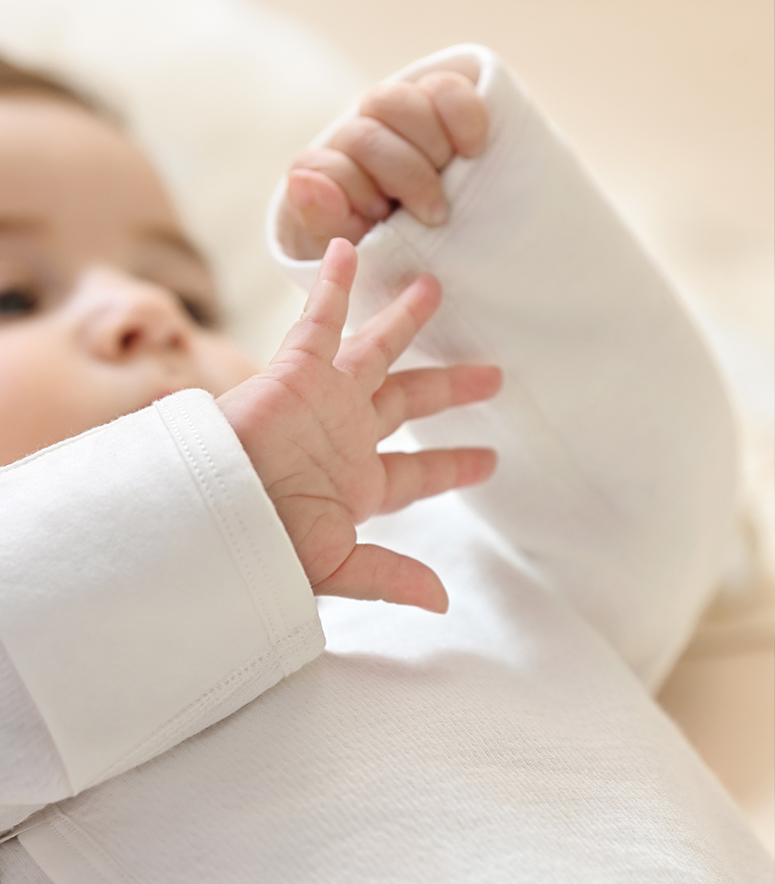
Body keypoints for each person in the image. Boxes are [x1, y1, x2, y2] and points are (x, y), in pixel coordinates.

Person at [0, 45, 771, 883]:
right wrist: (195, 506)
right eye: (13, 297)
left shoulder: (405, 511)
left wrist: (451, 236)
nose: (146, 306)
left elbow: (644, 512)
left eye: (192, 298)